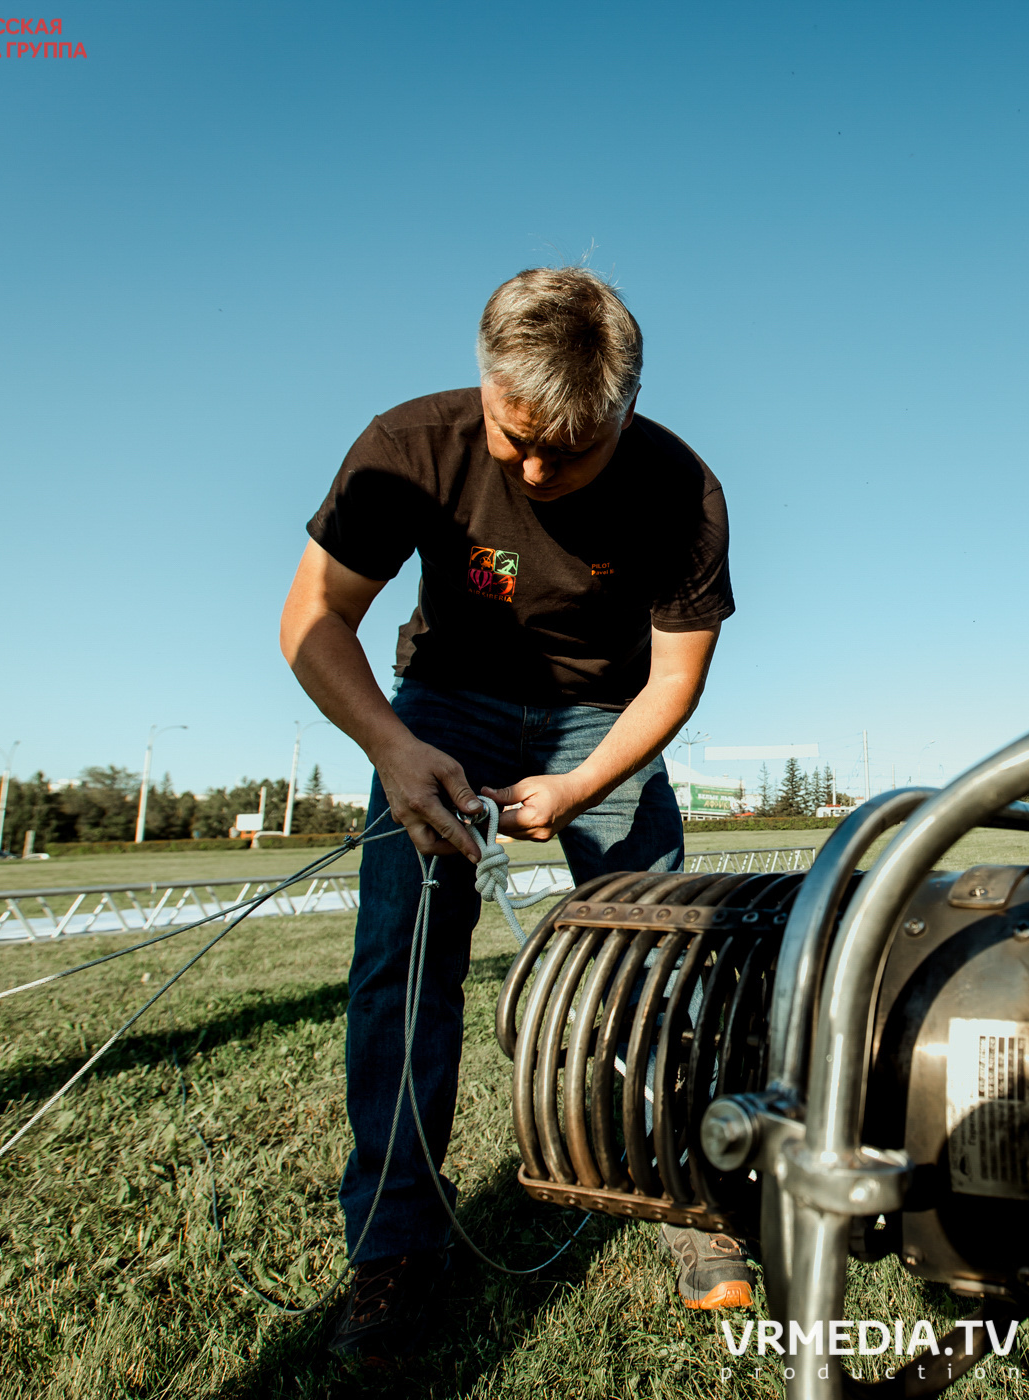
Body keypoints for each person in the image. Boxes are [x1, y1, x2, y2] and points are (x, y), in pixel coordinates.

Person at [277, 268, 747, 1364]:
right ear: (484, 384)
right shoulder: (409, 445)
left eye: (567, 450)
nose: (533, 469)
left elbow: (673, 683)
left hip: (604, 717)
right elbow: (312, 617)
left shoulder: (685, 492)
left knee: (662, 962)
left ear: (623, 411)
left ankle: (692, 1194)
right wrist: (394, 750)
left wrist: (583, 786)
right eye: (512, 435)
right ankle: (395, 1243)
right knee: (400, 964)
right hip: (445, 706)